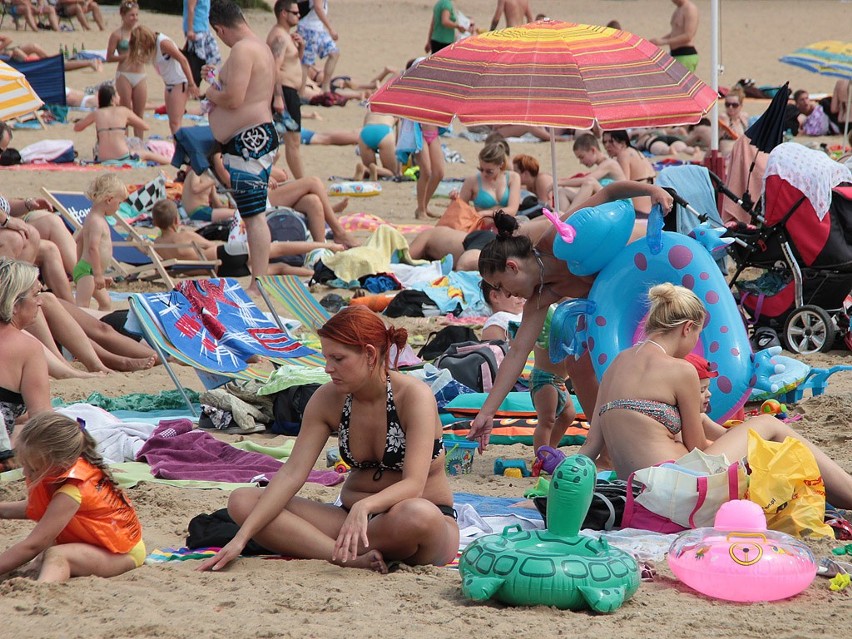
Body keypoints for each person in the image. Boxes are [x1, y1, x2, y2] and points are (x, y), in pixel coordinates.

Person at [197, 307, 460, 574]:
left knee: (417, 514)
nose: (327, 368)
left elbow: (414, 485)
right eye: (326, 358)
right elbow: (292, 473)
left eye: (338, 358)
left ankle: (314, 543)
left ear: (369, 354)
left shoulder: (414, 396)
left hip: (415, 523)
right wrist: (241, 538)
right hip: (348, 519)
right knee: (242, 501)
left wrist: (365, 505)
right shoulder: (329, 399)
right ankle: (342, 555)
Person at [576, 284, 852, 509]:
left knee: (758, 440)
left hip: (640, 496)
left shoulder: (615, 366)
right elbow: (697, 446)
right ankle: (849, 491)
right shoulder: (680, 370)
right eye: (696, 335)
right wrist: (748, 448)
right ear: (687, 327)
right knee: (771, 425)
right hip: (679, 489)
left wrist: (566, 481)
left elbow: (591, 446)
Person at [468, 181, 674, 450]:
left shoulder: (560, 238)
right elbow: (517, 353)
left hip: (654, 268)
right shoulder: (541, 297)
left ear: (512, 266)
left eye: (499, 285)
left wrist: (651, 191)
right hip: (625, 310)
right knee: (579, 365)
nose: (503, 294)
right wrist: (487, 412)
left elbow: (608, 193)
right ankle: (609, 446)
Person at [0, 413, 145, 582]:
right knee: (45, 552)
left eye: (33, 468)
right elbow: (37, 508)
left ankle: (44, 590)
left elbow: (33, 545)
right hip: (93, 543)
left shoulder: (71, 491)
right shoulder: (60, 470)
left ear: (59, 465)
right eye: (24, 465)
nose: (26, 473)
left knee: (57, 555)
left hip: (121, 553)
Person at [206, 0, 279, 292]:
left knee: (253, 214)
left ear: (220, 29)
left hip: (250, 140)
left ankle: (258, 280)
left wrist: (211, 91)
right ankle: (258, 278)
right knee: (253, 212)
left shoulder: (242, 50)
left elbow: (234, 99)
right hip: (256, 136)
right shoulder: (259, 47)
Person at [151, 199, 343, 278]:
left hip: (219, 272)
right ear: (176, 219)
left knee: (279, 269)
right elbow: (211, 245)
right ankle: (328, 246)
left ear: (155, 222)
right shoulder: (184, 236)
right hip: (223, 255)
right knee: (278, 249)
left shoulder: (155, 246)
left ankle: (315, 276)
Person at [0, 259, 51, 468]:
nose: (41, 302)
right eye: (35, 295)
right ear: (13, 305)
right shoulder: (28, 348)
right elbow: (43, 419)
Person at [128, 26, 199, 135]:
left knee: (176, 122)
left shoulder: (163, 43)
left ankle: (180, 149)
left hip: (180, 82)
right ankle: (177, 147)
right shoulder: (151, 48)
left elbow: (183, 60)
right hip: (169, 84)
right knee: (172, 123)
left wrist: (191, 83)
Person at [73, 85, 168, 165]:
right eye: (117, 95)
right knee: (147, 154)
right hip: (122, 155)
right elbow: (145, 126)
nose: (119, 97)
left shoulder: (97, 113)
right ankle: (171, 162)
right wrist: (127, 122)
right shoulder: (123, 111)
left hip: (102, 157)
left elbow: (77, 128)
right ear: (112, 98)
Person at [73, 174, 127, 310]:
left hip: (90, 270)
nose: (118, 207)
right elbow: (92, 248)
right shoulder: (97, 222)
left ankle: (97, 326)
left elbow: (79, 241)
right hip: (89, 272)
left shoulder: (93, 218)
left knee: (106, 303)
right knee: (82, 306)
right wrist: (97, 275)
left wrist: (79, 264)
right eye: (119, 203)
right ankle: (80, 329)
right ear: (109, 200)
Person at [268, 0, 307, 180]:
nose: (299, 16)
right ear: (283, 13)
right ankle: (303, 184)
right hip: (284, 93)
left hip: (289, 93)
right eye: (295, 13)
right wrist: (277, 97)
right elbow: (274, 68)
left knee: (284, 143)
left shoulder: (286, 36)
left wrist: (301, 49)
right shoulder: (279, 37)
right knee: (292, 143)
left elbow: (291, 64)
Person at [449, 141, 521, 224]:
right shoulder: (472, 181)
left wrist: (485, 213)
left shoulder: (513, 178)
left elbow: (512, 209)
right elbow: (459, 211)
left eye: (489, 171)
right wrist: (454, 200)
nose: (484, 174)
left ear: (501, 165)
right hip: (483, 226)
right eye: (481, 169)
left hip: (506, 226)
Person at [106, 1, 147, 140]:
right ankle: (124, 142)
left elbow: (149, 49)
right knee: (125, 112)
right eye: (131, 15)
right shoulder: (117, 34)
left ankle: (139, 142)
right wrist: (125, 56)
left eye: (136, 15)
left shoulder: (140, 33)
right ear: (123, 16)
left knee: (139, 113)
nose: (134, 18)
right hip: (124, 74)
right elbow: (109, 57)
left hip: (140, 74)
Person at [600, 130, 657, 216]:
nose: (607, 145)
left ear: (622, 142)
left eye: (611, 141)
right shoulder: (635, 151)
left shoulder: (623, 155)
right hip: (652, 207)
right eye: (604, 142)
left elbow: (623, 185)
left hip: (640, 210)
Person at [296, 0, 339, 95]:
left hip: (318, 29)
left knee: (334, 52)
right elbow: (318, 7)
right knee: (306, 62)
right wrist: (330, 29)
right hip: (308, 28)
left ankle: (325, 88)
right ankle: (301, 92)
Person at [650, 0, 699, 73]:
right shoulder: (678, 9)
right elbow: (674, 33)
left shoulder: (690, 9)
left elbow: (688, 36)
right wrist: (659, 40)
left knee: (682, 83)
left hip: (685, 54)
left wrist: (664, 41)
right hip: (675, 53)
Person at [183, 0, 222, 88]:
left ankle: (211, 80)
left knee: (214, 57)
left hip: (205, 29)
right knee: (198, 60)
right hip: (195, 30)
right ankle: (194, 87)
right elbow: (190, 8)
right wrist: (190, 30)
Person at [356, 113, 398, 180]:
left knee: (369, 170)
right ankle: (376, 169)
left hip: (366, 131)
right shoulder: (395, 108)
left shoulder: (371, 108)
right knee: (393, 173)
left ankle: (365, 169)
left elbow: (365, 124)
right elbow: (400, 137)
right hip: (384, 131)